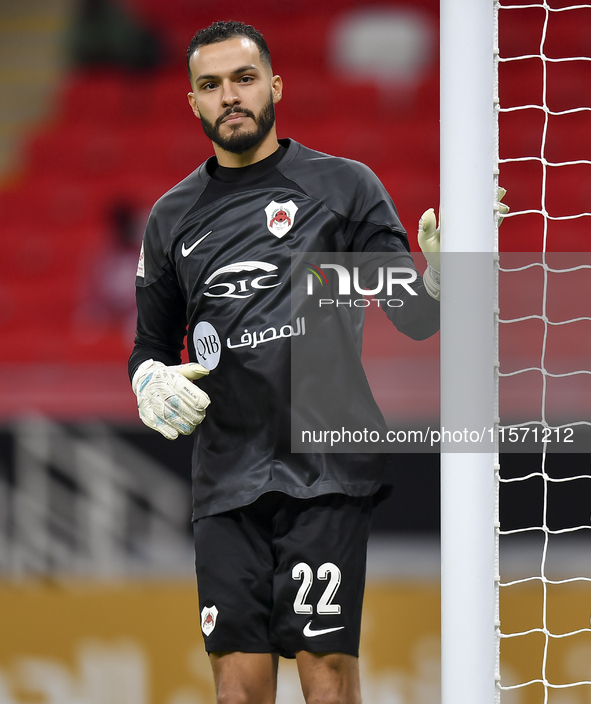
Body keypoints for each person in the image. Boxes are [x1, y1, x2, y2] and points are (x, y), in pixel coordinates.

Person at [129, 20, 441, 704]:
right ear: (192, 103)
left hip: (325, 468)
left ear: (274, 85)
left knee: (323, 674)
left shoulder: (345, 188)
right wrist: (146, 380)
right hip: (226, 478)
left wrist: (442, 276)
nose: (228, 97)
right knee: (237, 688)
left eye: (242, 79)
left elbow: (418, 318)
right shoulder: (171, 217)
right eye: (209, 86)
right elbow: (151, 345)